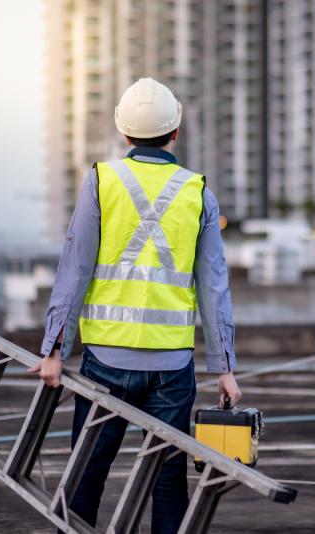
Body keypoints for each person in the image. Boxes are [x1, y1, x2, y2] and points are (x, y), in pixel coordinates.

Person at [29, 77, 241, 533]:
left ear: (124, 134)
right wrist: (223, 367)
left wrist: (54, 350)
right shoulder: (198, 192)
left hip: (106, 359)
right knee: (168, 483)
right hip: (172, 365)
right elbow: (214, 288)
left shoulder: (100, 181)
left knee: (86, 478)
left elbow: (75, 269)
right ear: (176, 132)